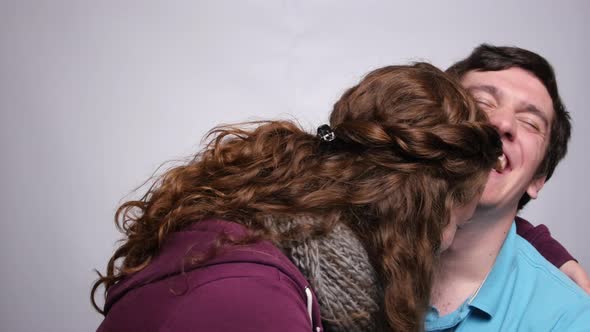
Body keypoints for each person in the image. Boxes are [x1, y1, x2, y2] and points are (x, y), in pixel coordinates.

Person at [92, 63, 503, 331]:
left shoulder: (251, 235)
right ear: (416, 209)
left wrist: (547, 248)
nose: (448, 243)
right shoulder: (255, 302)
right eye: (456, 222)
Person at [426, 44, 590, 331]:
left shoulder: (568, 319)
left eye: (530, 122)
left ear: (538, 178)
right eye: (482, 102)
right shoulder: (346, 246)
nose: (501, 122)